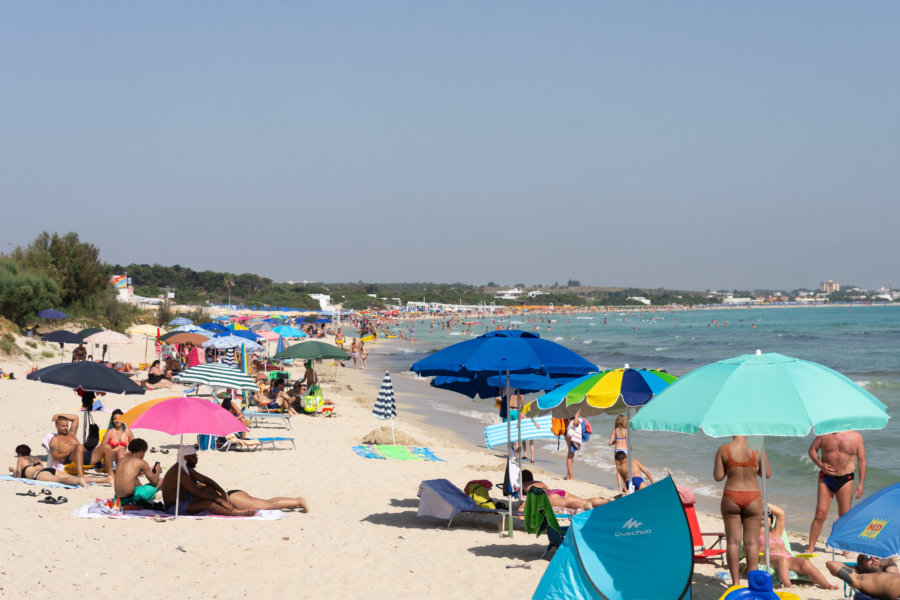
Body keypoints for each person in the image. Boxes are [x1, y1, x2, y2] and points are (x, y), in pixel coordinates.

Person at [713, 435, 771, 587]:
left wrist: (730, 469)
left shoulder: (724, 449)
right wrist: (754, 471)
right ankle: (753, 583)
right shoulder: (757, 447)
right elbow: (767, 474)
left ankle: (735, 583)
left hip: (731, 495)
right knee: (752, 543)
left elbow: (718, 477)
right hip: (753, 496)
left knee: (733, 542)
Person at [806, 430, 866, 553]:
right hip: (825, 477)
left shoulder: (856, 436)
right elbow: (812, 450)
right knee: (820, 513)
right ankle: (811, 547)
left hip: (846, 478)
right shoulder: (824, 434)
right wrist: (820, 464)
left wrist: (861, 483)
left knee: (844, 514)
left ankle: (844, 548)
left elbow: (861, 461)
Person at [759, 503, 838, 590]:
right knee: (782, 560)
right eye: (760, 514)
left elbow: (780, 513)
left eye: (767, 514)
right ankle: (788, 585)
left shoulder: (776, 532)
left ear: (771, 521)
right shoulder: (753, 533)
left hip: (787, 557)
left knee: (805, 562)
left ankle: (827, 585)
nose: (763, 516)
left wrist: (762, 502)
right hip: (768, 557)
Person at [160, 446, 256, 516]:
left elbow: (205, 479)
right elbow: (196, 491)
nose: (196, 459)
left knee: (209, 489)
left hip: (185, 499)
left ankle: (226, 508)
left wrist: (222, 491)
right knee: (207, 504)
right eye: (194, 457)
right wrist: (221, 501)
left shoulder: (185, 468)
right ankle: (236, 513)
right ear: (186, 457)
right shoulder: (179, 471)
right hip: (175, 507)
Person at [46, 414, 116, 486]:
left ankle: (111, 476)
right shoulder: (55, 440)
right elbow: (55, 456)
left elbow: (75, 418)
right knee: (79, 446)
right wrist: (66, 453)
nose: (66, 428)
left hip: (86, 455)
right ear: (57, 426)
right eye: (63, 426)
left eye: (67, 426)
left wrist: (59, 415)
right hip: (72, 457)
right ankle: (80, 477)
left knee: (106, 447)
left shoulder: (71, 433)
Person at [10, 444, 108, 486]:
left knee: (60, 480)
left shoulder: (20, 459)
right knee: (74, 477)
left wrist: (13, 470)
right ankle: (103, 480)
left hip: (39, 474)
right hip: (49, 470)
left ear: (19, 454)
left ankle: (79, 482)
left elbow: (18, 475)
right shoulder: (36, 458)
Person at [521, 469, 608, 511]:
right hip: (556, 491)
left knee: (567, 504)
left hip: (548, 496)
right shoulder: (538, 481)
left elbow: (522, 496)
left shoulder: (523, 485)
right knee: (585, 500)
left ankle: (584, 506)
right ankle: (606, 501)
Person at [114, 438, 163, 507]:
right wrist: (157, 470)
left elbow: (129, 475)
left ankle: (152, 497)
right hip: (130, 499)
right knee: (161, 481)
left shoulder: (121, 460)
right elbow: (155, 482)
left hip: (118, 498)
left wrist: (144, 471)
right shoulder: (141, 462)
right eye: (144, 453)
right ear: (141, 452)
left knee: (136, 481)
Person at [827, 561, 900, 600]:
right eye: (868, 557)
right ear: (860, 567)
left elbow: (889, 558)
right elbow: (831, 564)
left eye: (877, 557)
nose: (874, 559)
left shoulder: (890, 571)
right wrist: (855, 568)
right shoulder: (861, 579)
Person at [609, 414, 629, 489]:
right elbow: (628, 442)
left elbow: (610, 442)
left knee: (618, 470)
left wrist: (615, 441)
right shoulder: (626, 431)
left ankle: (620, 488)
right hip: (625, 451)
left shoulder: (615, 430)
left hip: (617, 451)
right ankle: (626, 488)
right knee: (625, 470)